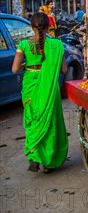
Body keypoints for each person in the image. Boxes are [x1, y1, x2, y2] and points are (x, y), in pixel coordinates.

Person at [11, 12, 68, 173]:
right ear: (49, 27)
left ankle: (34, 156)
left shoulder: (23, 45)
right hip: (49, 88)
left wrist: (25, 66)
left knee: (33, 121)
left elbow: (15, 69)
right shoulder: (56, 45)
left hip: (30, 87)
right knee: (50, 123)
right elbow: (64, 70)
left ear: (31, 27)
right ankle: (48, 162)